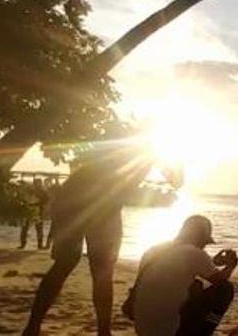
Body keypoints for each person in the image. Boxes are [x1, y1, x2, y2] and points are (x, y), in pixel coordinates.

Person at [23, 135, 160, 336]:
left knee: (68, 264)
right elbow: (176, 179)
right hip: (88, 203)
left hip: (72, 200)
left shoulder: (122, 155)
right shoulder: (142, 158)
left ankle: (33, 327)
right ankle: (102, 332)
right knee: (97, 269)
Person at [133, 215, 237, 336]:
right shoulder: (194, 253)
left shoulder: (154, 250)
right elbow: (220, 281)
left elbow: (175, 271)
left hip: (143, 327)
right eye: (204, 242)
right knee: (225, 290)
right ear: (200, 238)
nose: (204, 246)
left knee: (196, 285)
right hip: (169, 330)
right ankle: (208, 328)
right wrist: (231, 266)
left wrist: (211, 262)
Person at [18, 178, 48, 249]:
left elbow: (45, 200)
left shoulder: (41, 192)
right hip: (30, 209)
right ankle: (23, 244)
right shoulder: (30, 190)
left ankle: (39, 244)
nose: (38, 185)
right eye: (37, 183)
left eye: (38, 183)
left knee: (37, 228)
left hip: (36, 210)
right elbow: (23, 198)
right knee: (26, 227)